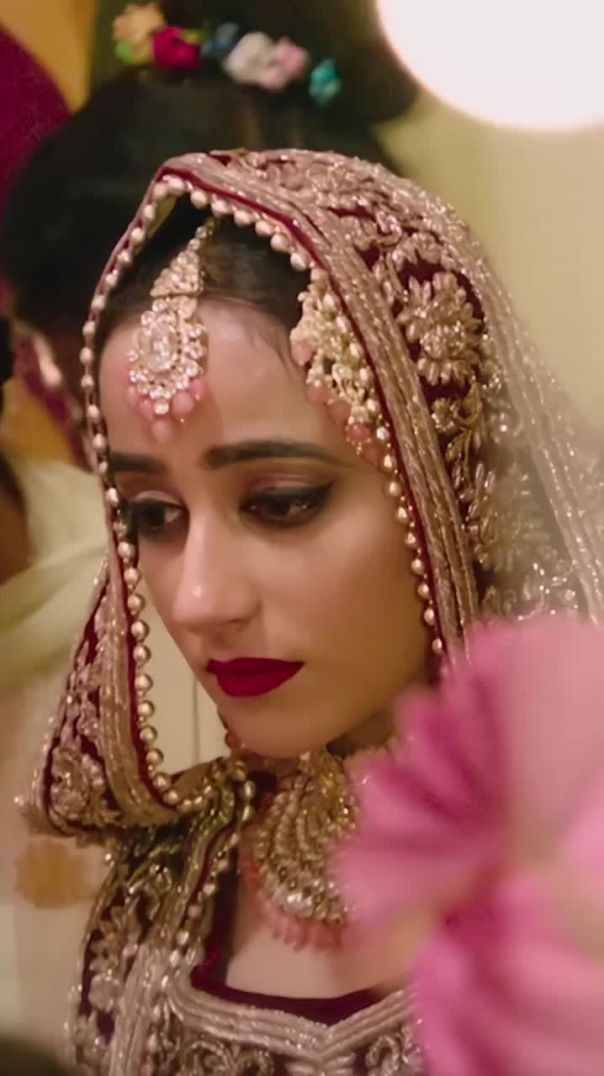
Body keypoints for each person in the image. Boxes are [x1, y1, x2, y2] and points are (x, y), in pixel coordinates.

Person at [24, 149, 604, 1073]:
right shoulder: (164, 879)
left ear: (452, 483)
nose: (199, 599)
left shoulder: (581, 873)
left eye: (281, 502)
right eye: (154, 516)